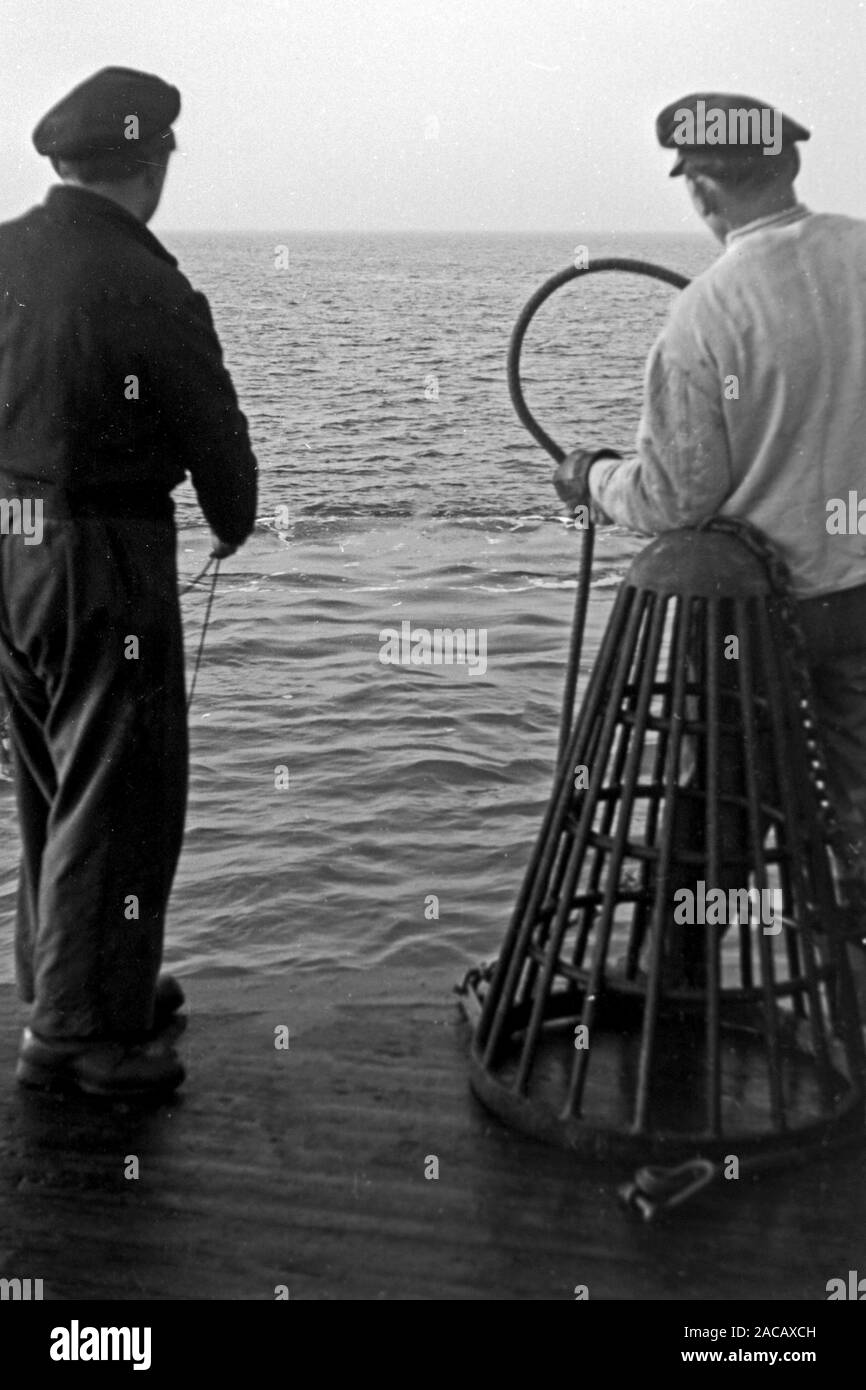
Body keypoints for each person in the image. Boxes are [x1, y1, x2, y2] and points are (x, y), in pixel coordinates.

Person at [553, 91, 866, 999]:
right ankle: (847, 995)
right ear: (792, 165)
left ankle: (671, 990)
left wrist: (592, 479)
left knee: (720, 808)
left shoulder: (705, 316)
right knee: (858, 807)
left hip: (763, 628)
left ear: (698, 190)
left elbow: (674, 498)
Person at [0, 67, 258, 1097]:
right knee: (123, 789)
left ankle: (80, 984)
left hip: (10, 544)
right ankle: (81, 1034)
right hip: (101, 552)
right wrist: (234, 520)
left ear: (64, 162)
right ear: (153, 166)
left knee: (51, 781)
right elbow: (215, 438)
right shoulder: (147, 283)